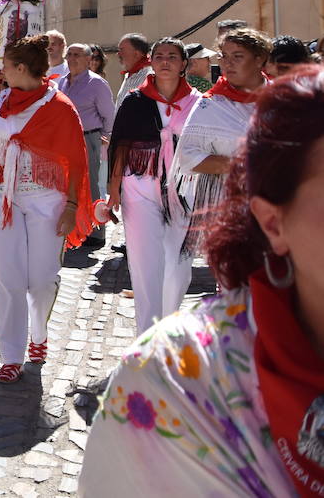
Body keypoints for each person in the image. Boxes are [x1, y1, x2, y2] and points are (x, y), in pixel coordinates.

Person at [79, 66, 324, 497]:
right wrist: (114, 190)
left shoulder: (196, 101)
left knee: (174, 273)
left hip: (179, 201)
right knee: (150, 270)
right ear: (273, 221)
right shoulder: (169, 381)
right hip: (151, 194)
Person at [0, 35, 94, 384]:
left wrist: (71, 205)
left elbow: (77, 159)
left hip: (46, 198)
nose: (0, 72)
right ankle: (11, 356)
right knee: (7, 277)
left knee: (42, 279)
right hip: (0, 195)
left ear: (21, 68)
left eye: (5, 65)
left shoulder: (60, 106)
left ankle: (39, 333)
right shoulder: (2, 98)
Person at [106, 37, 201, 334]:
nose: (165, 61)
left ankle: (167, 329)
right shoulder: (135, 101)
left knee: (179, 268)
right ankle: (147, 340)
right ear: (151, 61)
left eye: (172, 56)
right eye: (159, 56)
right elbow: (119, 144)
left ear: (183, 64)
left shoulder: (199, 103)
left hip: (183, 190)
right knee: (145, 265)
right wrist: (114, 188)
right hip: (140, 186)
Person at [171, 27, 271, 259]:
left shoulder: (282, 99)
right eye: (224, 56)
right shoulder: (211, 104)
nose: (227, 63)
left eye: (237, 56)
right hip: (229, 208)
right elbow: (187, 156)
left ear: (259, 59)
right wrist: (242, 165)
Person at [58, 43, 115, 246]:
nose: (72, 58)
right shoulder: (62, 82)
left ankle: (97, 232)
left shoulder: (96, 83)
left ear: (88, 59)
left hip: (88, 138)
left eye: (77, 55)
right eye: (70, 54)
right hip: (66, 139)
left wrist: (104, 138)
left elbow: (109, 115)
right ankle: (76, 228)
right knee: (68, 183)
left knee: (91, 184)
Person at [113, 33, 153, 110]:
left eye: (122, 50)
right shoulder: (128, 75)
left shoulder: (150, 76)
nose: (118, 54)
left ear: (137, 54)